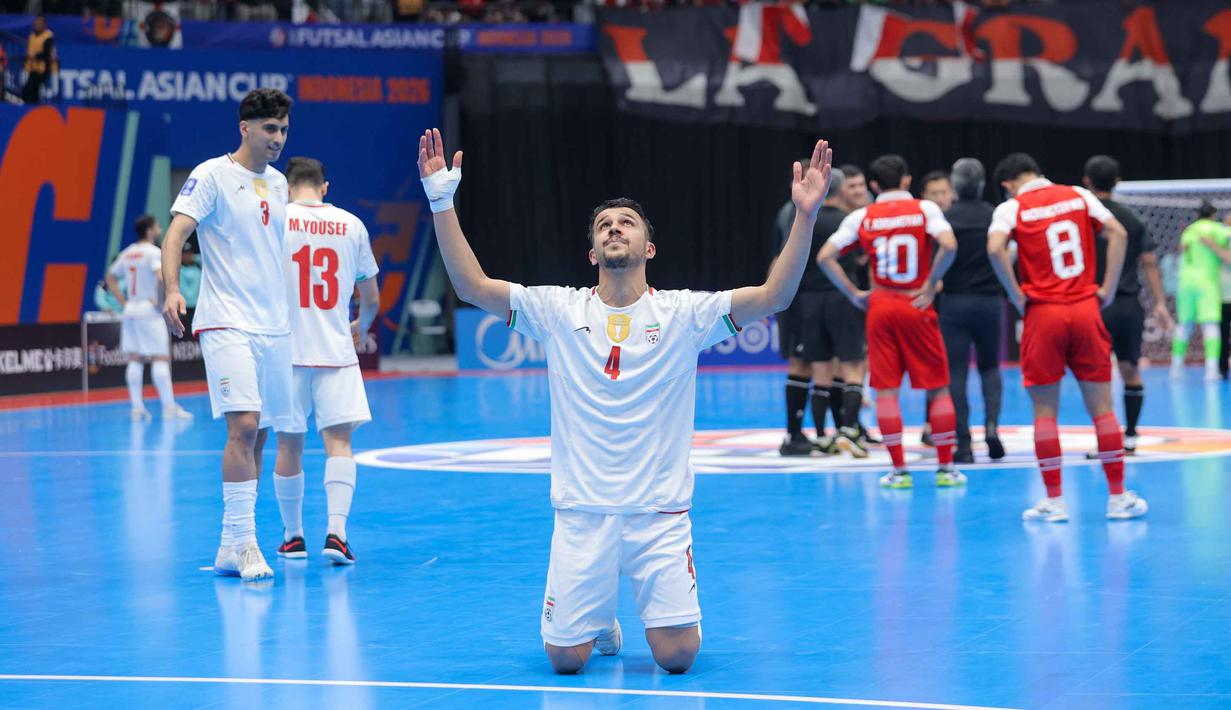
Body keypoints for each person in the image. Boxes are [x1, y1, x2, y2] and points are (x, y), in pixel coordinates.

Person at [418, 127, 831, 674]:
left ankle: (613, 607)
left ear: (648, 248)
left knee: (678, 658)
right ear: (592, 251)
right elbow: (471, 286)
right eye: (604, 226)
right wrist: (441, 199)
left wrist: (805, 215)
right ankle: (598, 619)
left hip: (658, 512)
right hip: (582, 511)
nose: (615, 229)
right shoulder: (558, 311)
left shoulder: (685, 315)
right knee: (565, 661)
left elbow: (775, 295)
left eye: (626, 223)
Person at [162, 88, 294, 582]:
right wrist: (173, 288)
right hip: (225, 320)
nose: (278, 138)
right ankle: (244, 543)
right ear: (245, 128)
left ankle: (227, 544)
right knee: (242, 427)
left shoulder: (280, 184)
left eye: (283, 129)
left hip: (274, 327)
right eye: (269, 129)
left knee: (259, 435)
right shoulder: (212, 174)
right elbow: (176, 233)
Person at [986, 152, 1146, 522]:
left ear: (1008, 184)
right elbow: (1117, 232)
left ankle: (1055, 502)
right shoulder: (1078, 194)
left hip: (1043, 314)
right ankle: (1118, 498)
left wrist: (1016, 294)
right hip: (1085, 308)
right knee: (1103, 411)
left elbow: (995, 248)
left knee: (1044, 412)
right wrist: (1105, 288)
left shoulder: (1012, 208)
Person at [817, 154, 962, 489]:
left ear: (874, 185)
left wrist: (854, 293)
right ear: (907, 181)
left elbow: (825, 256)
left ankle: (898, 471)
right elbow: (949, 245)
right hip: (916, 302)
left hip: (880, 304)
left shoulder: (863, 216)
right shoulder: (925, 209)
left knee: (885, 392)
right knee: (938, 387)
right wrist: (930, 282)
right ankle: (946, 469)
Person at [272, 157, 380, 566]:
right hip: (335, 348)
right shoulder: (352, 225)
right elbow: (370, 298)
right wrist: (361, 326)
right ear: (325, 186)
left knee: (288, 444)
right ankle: (337, 534)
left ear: (287, 186)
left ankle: (292, 537)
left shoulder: (276, 221)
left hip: (285, 351)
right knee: (339, 443)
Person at [1083, 155, 1172, 453]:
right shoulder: (1133, 219)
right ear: (1118, 182)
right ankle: (1131, 435)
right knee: (1130, 369)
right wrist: (1159, 302)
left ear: (1087, 182)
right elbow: (1149, 263)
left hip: (1094, 304)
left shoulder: (1085, 218)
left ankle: (1105, 440)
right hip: (1128, 307)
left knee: (1099, 374)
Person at [773, 166, 856, 456]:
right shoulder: (794, 214)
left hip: (803, 297)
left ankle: (830, 432)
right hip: (799, 298)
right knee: (805, 363)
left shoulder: (804, 213)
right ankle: (796, 434)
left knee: (824, 364)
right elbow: (782, 258)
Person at [937, 158, 1004, 463]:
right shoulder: (995, 216)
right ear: (981, 184)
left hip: (954, 303)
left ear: (955, 185)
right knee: (990, 367)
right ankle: (991, 429)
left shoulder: (944, 218)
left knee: (956, 372)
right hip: (989, 302)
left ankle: (963, 442)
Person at [105, 215, 194, 421]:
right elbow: (161, 276)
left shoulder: (128, 253)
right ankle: (169, 407)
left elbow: (110, 277)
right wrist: (158, 297)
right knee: (160, 358)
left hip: (131, 310)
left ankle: (137, 408)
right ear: (149, 230)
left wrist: (124, 301)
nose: (160, 228)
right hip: (148, 311)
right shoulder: (154, 253)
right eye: (157, 226)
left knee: (135, 358)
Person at [1170, 201, 1231, 382]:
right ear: (1214, 215)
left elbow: (1182, 249)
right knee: (1210, 324)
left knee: (1183, 324)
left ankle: (1176, 368)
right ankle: (1212, 370)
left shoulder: (1189, 230)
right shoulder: (1217, 229)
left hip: (1185, 281)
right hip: (1207, 281)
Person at [21, 16, 56, 105]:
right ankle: (31, 107)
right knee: (28, 91)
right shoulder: (32, 36)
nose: (37, 25)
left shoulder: (48, 36)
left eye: (40, 24)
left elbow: (47, 53)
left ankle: (34, 107)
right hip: (32, 67)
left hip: (43, 69)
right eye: (36, 23)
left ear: (44, 25)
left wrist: (35, 56)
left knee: (31, 90)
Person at [179, 242, 202, 333]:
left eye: (189, 253)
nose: (187, 256)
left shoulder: (198, 267)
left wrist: (193, 257)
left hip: (198, 308)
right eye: (184, 254)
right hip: (183, 309)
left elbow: (206, 258)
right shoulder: (178, 269)